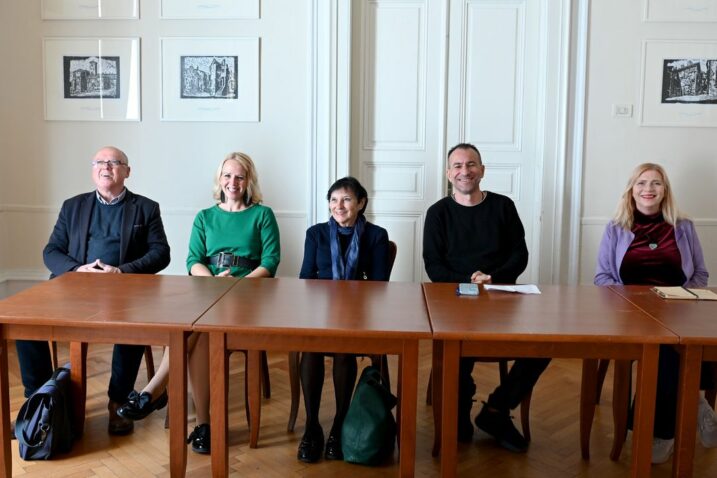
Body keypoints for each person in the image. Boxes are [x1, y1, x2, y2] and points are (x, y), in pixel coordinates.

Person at [117, 152, 280, 454]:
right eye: (227, 176)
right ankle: (204, 426)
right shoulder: (205, 216)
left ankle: (154, 392)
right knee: (197, 331)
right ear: (219, 179)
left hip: (248, 292)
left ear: (249, 182)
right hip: (208, 289)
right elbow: (193, 260)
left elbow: (271, 261)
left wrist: (239, 283)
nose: (233, 182)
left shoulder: (262, 214)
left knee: (194, 329)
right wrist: (213, 282)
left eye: (240, 176)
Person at [15, 146, 171, 436]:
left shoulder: (146, 208)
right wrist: (77, 270)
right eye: (100, 162)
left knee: (134, 325)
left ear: (127, 171)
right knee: (26, 325)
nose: (106, 167)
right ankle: (37, 404)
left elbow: (161, 253)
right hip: (73, 289)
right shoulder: (72, 206)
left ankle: (118, 401)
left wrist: (121, 271)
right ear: (92, 170)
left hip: (124, 290)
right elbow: (52, 251)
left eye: (114, 162)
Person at [423, 142, 550, 453]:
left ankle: (495, 410)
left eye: (471, 165)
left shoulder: (503, 206)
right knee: (458, 343)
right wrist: (467, 282)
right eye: (457, 166)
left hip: (500, 297)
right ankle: (459, 407)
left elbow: (520, 255)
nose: (464, 171)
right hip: (455, 300)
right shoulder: (438, 213)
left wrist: (492, 278)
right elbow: (433, 265)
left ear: (482, 170)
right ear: (448, 173)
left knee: (543, 345)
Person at [594, 162, 716, 464]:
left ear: (665, 190)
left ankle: (661, 429)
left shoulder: (683, 227)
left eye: (656, 183)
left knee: (679, 343)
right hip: (629, 312)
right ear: (631, 190)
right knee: (663, 347)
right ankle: (691, 409)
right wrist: (631, 301)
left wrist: (684, 297)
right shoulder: (616, 228)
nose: (649, 189)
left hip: (679, 309)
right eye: (642, 183)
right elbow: (602, 278)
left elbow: (700, 273)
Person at [297, 176, 390, 463]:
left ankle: (339, 423)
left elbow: (378, 285)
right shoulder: (316, 234)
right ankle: (312, 426)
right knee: (311, 347)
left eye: (347, 199)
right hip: (320, 311)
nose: (339, 206)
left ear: (361, 203)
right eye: (334, 200)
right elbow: (305, 279)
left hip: (359, 313)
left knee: (342, 347)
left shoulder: (376, 236)